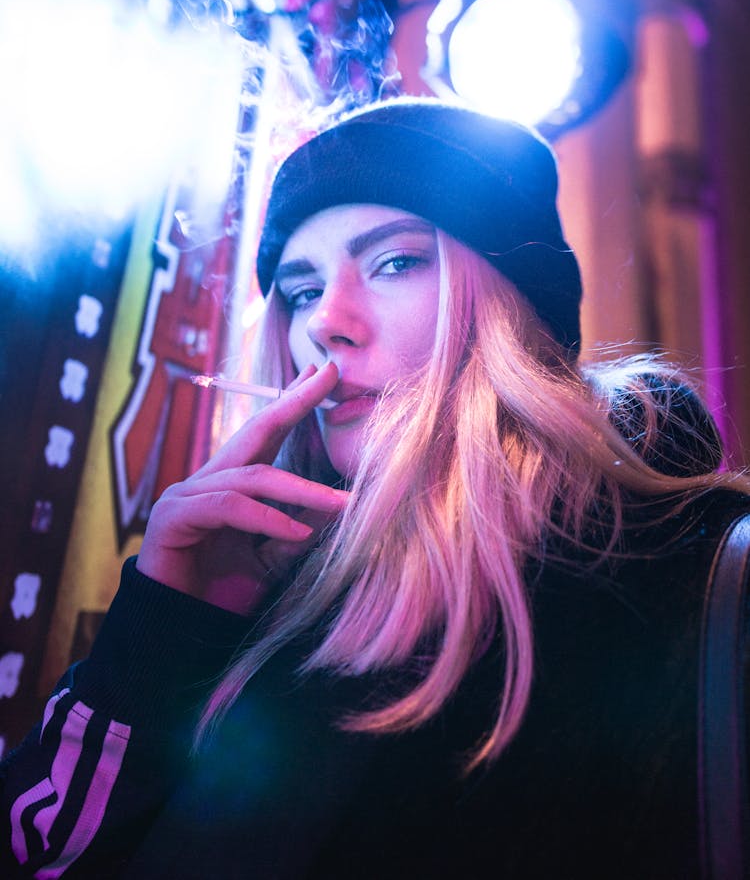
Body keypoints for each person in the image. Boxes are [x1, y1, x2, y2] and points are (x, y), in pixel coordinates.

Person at [2, 98, 749, 879]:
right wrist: (165, 628)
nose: (327, 320)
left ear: (510, 303)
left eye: (395, 261)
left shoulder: (681, 575)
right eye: (299, 288)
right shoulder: (261, 588)